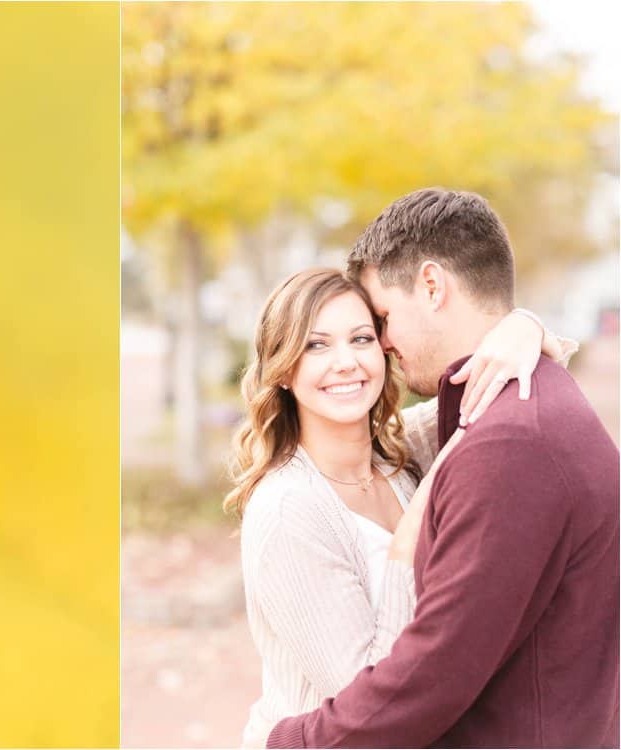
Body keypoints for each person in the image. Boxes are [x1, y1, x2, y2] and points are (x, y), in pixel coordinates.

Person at [265, 188, 619, 748]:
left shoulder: (471, 442)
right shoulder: (485, 421)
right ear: (282, 368)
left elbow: (433, 673)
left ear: (432, 286)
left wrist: (289, 741)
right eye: (315, 345)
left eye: (373, 325)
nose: (377, 348)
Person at [228, 266, 572, 748]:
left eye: (362, 338)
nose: (346, 362)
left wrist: (524, 326)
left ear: (385, 348)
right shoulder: (289, 509)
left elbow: (501, 378)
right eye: (316, 345)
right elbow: (366, 706)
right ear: (284, 369)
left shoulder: (403, 447)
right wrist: (407, 542)